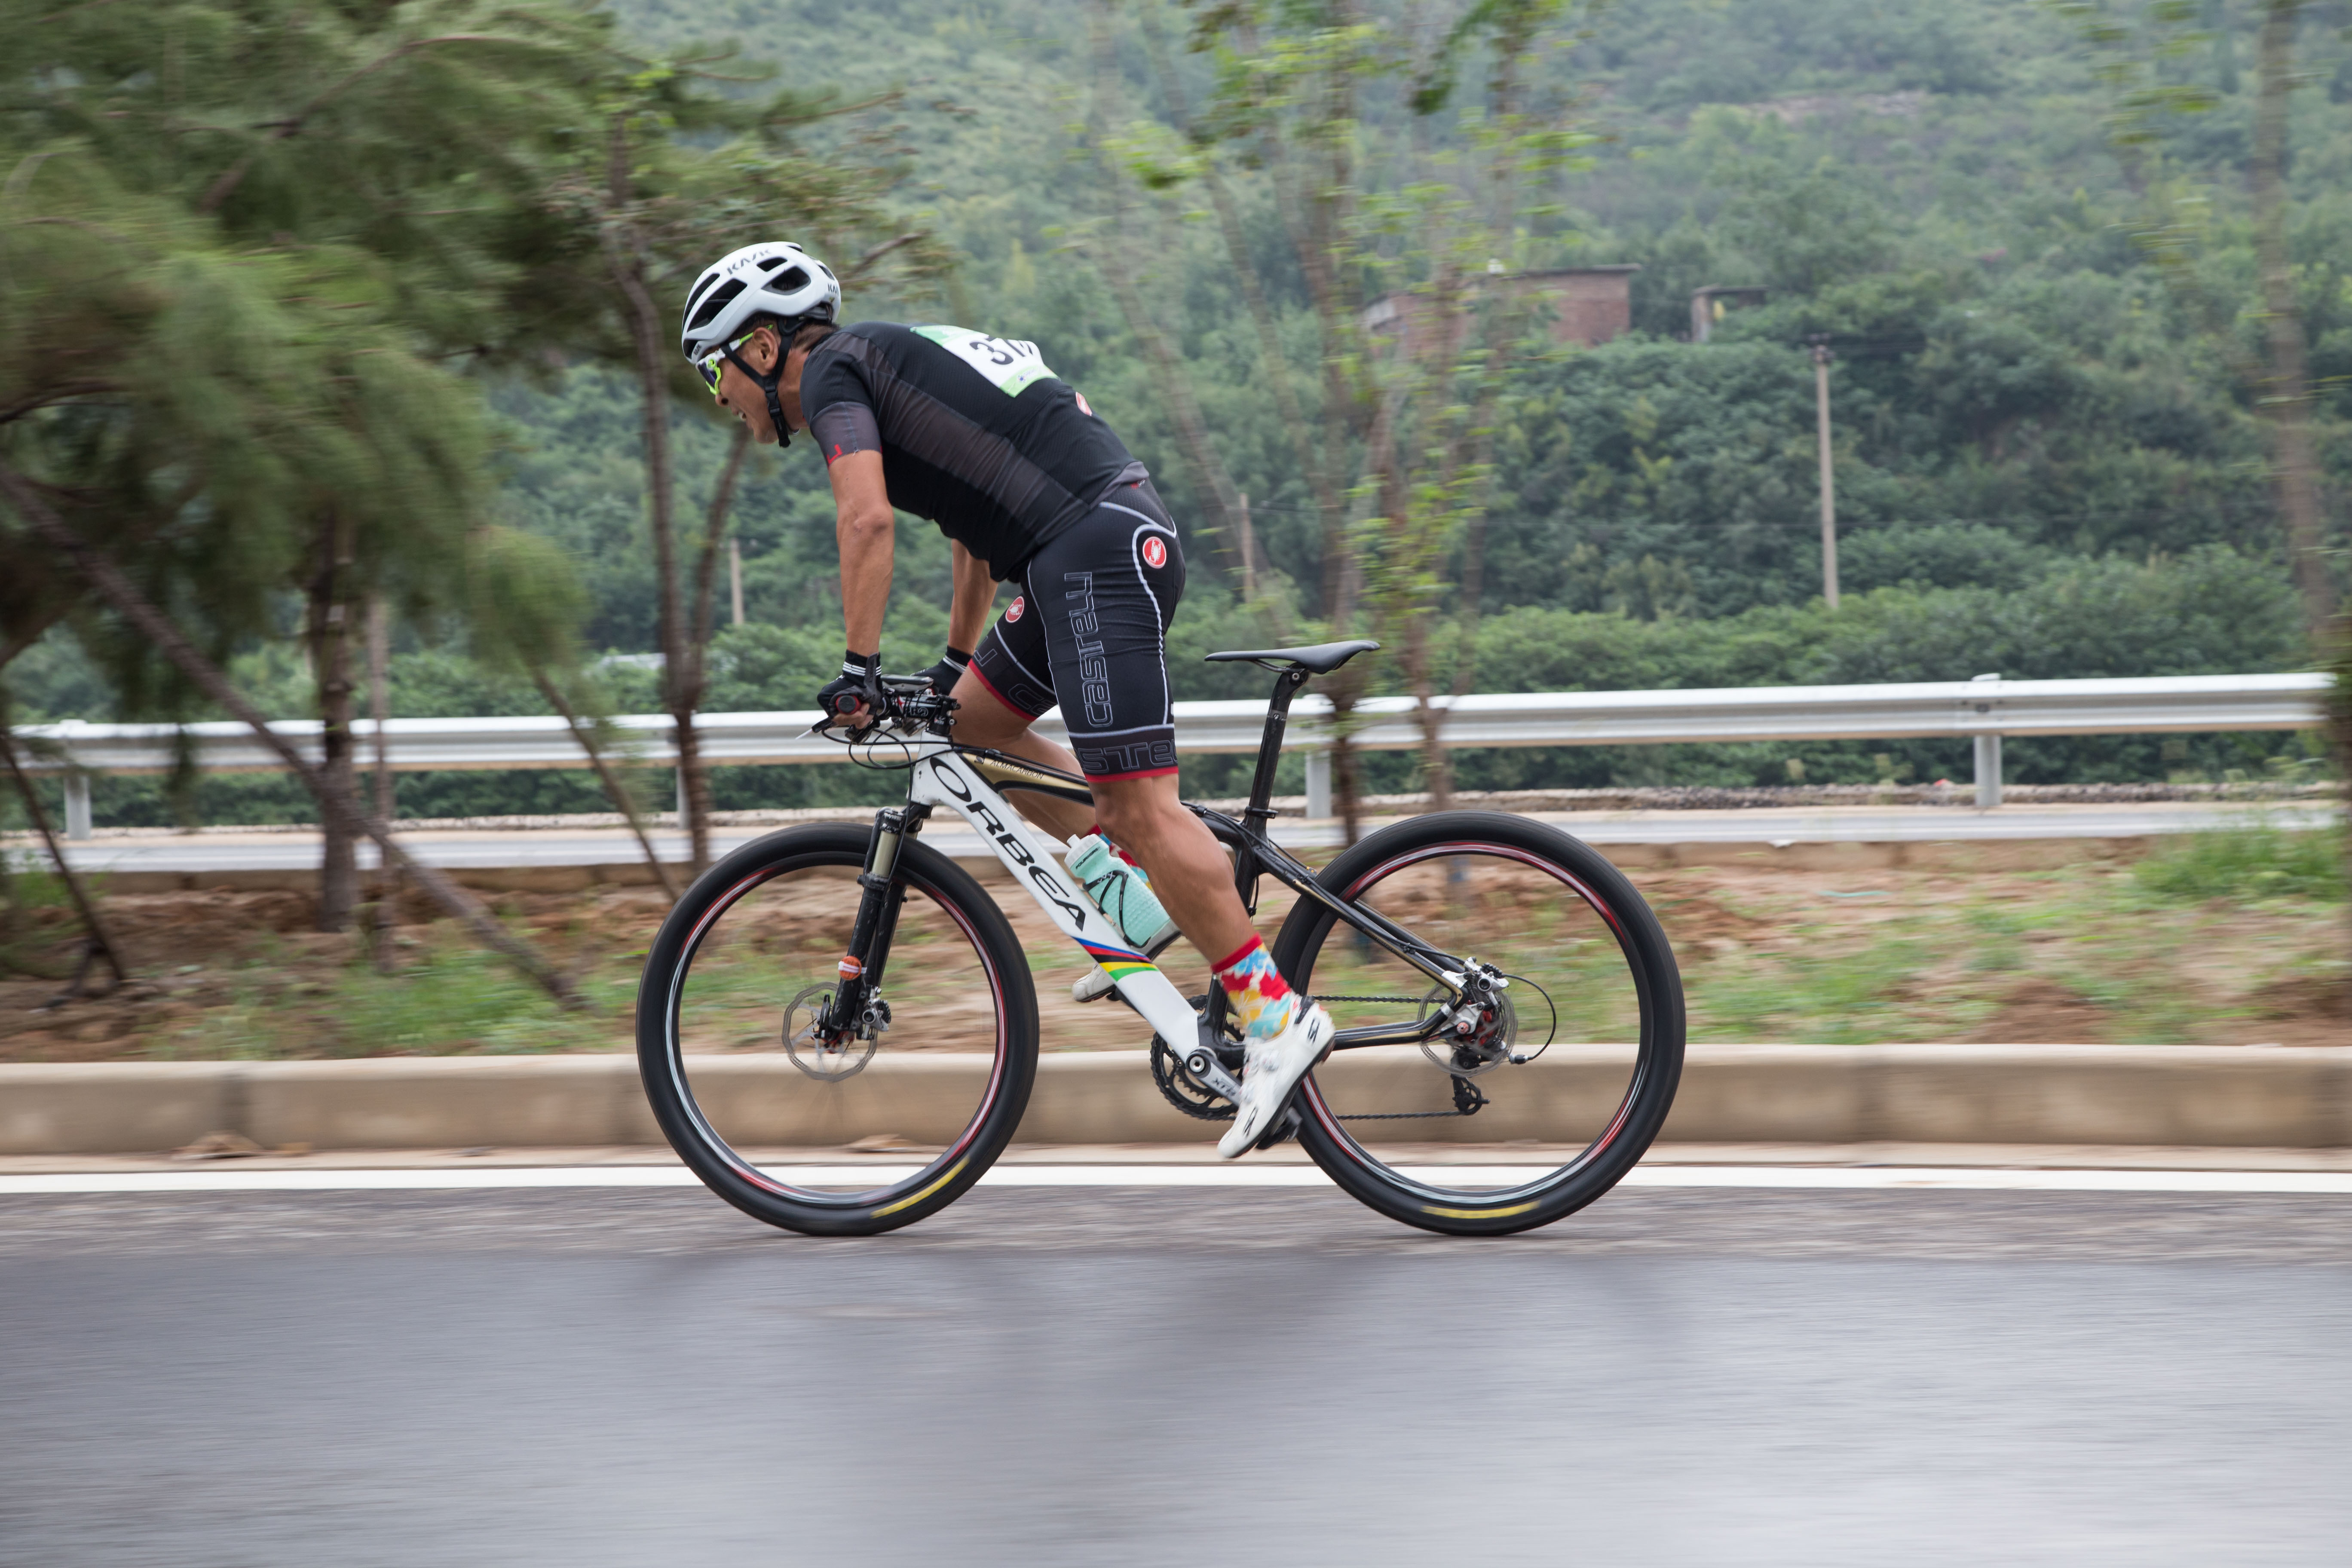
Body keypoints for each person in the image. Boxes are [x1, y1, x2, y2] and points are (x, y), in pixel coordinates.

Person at [679, 240, 1331, 1158]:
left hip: (1092, 550)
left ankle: (1275, 1022)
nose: (720, 397)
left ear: (760, 347)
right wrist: (952, 662)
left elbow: (863, 519)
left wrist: (859, 668)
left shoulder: (831, 375)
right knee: (974, 728)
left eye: (717, 369)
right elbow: (970, 532)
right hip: (1077, 546)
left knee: (1143, 806)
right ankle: (1134, 898)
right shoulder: (880, 363)